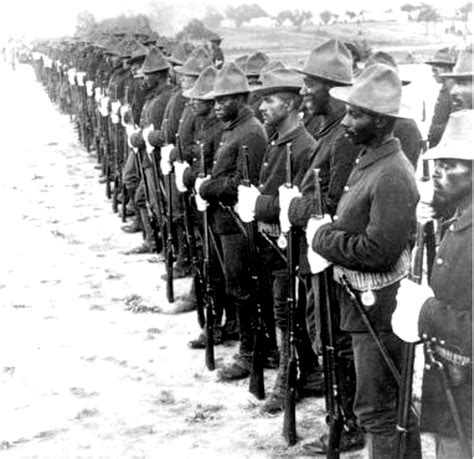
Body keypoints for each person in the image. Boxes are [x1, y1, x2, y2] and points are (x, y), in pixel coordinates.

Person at [306, 64, 422, 458]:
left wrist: (323, 238)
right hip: (362, 305)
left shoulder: (392, 173)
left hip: (378, 308)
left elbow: (377, 252)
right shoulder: (371, 160)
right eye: (349, 111)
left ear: (381, 121)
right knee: (385, 404)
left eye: (356, 114)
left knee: (379, 410)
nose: (346, 121)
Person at [281, 38, 364, 453]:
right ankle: (340, 413)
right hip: (319, 254)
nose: (302, 92)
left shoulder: (344, 137)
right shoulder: (325, 129)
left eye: (310, 84)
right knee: (322, 333)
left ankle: (348, 422)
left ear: (332, 88)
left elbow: (334, 203)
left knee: (337, 339)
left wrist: (294, 206)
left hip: (336, 258)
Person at [235, 67, 320, 413]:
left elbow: (300, 206)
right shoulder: (276, 141)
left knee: (288, 316)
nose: (263, 106)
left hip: (290, 248)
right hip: (271, 245)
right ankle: (310, 374)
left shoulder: (303, 147)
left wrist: (260, 204)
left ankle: (287, 381)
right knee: (284, 312)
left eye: (269, 100)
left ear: (289, 104)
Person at [392, 109, 472, 459]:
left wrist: (426, 313)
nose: (437, 172)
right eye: (438, 162)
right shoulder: (459, 219)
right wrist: (438, 215)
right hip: (455, 392)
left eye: (452, 164)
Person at [195, 62, 271, 381]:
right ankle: (255, 349)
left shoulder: (251, 132)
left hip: (239, 226)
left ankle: (251, 353)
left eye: (223, 99)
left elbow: (243, 183)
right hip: (224, 222)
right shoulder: (233, 129)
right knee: (237, 287)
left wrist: (207, 186)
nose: (217, 106)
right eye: (214, 101)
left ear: (241, 98)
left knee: (243, 289)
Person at [425, 47, 457, 147]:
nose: (433, 75)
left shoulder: (452, 91)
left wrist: (434, 136)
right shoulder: (447, 88)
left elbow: (455, 122)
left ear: (446, 69)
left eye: (435, 71)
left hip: (445, 144)